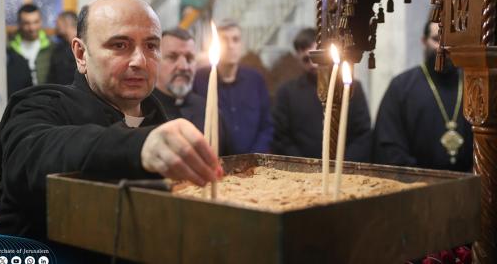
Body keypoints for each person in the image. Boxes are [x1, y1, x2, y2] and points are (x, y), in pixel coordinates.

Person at [0, 0, 222, 242]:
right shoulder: (40, 107)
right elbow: (38, 152)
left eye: (151, 46)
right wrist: (139, 147)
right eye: (120, 45)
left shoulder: (163, 120)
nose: (140, 61)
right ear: (81, 54)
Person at [374, 22, 473, 171]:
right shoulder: (401, 87)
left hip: (470, 188)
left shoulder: (474, 86)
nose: (444, 47)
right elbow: (390, 147)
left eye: (451, 41)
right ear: (423, 41)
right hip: (417, 188)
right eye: (436, 39)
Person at [271, 28, 372, 161]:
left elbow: (363, 134)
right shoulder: (286, 93)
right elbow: (281, 138)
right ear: (298, 58)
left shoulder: (353, 88)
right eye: (306, 60)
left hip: (345, 170)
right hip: (301, 173)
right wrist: (305, 165)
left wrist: (343, 164)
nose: (313, 65)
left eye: (316, 58)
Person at [193, 19, 273, 154]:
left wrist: (254, 156)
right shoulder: (200, 80)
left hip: (252, 164)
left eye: (235, 40)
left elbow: (267, 125)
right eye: (224, 40)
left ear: (241, 44)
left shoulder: (255, 80)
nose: (230, 45)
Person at [152, 27, 233, 155]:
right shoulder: (140, 110)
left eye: (189, 58)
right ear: (155, 61)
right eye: (172, 57)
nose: (184, 66)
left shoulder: (209, 110)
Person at [9, 4, 53, 85]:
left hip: (45, 95)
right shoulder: (9, 48)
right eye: (27, 23)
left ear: (41, 21)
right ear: (19, 23)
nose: (32, 28)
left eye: (36, 22)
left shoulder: (51, 47)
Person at [47, 11, 78, 84]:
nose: (56, 27)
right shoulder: (58, 49)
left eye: (57, 24)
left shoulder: (84, 46)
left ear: (66, 23)